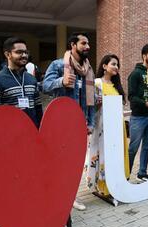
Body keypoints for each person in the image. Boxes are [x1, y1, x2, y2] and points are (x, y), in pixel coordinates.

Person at [43, 32, 95, 211]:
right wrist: (61, 81)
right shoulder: (58, 65)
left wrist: (90, 122)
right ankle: (55, 196)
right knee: (59, 162)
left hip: (81, 125)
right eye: (83, 43)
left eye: (88, 44)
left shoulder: (88, 69)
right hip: (62, 125)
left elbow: (90, 101)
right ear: (73, 44)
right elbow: (45, 86)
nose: (87, 47)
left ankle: (71, 196)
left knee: (75, 164)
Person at [86, 54, 130, 198]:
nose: (116, 67)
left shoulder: (117, 85)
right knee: (103, 154)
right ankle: (103, 186)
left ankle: (117, 184)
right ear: (104, 66)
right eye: (113, 64)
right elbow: (91, 105)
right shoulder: (97, 83)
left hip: (118, 126)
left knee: (116, 154)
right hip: (102, 126)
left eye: (117, 65)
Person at [0, 37, 43, 127]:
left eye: (26, 52)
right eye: (19, 52)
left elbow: (38, 108)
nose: (24, 55)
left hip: (32, 131)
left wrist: (40, 129)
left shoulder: (31, 79)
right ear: (7, 54)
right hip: (10, 134)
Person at [127, 43, 148, 182]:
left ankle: (142, 173)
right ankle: (126, 174)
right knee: (133, 147)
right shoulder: (135, 74)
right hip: (138, 117)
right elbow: (131, 96)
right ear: (144, 56)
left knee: (147, 146)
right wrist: (145, 103)